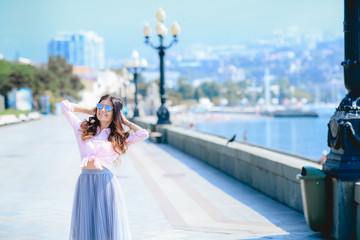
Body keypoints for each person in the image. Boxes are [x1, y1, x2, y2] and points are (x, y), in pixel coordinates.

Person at [61, 94, 149, 240]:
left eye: (108, 107)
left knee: (106, 226)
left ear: (115, 112)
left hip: (106, 184)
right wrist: (91, 111)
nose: (103, 110)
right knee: (87, 224)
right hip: (85, 182)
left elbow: (143, 134)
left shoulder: (119, 137)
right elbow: (65, 106)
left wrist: (125, 121)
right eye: (101, 106)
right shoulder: (84, 128)